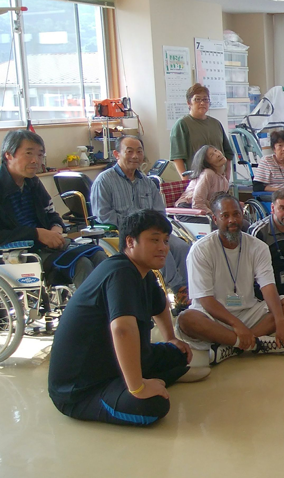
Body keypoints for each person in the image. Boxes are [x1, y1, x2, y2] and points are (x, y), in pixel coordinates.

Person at [48, 210, 198, 426]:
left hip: (111, 362)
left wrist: (171, 338)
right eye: (154, 240)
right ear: (130, 242)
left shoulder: (143, 271)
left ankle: (148, 378)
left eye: (165, 241)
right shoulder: (120, 272)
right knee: (154, 406)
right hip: (81, 388)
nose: (163, 247)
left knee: (179, 354)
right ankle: (138, 382)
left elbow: (160, 304)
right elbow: (122, 329)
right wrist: (138, 387)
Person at [176, 194, 284, 365]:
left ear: (242, 215)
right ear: (215, 219)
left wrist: (280, 322)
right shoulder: (200, 250)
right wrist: (237, 325)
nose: (232, 220)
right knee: (186, 319)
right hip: (212, 317)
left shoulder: (258, 247)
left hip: (248, 311)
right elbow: (206, 300)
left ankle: (233, 347)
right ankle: (255, 343)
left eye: (236, 214)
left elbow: (268, 286)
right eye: (225, 215)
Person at [90, 136, 191, 308]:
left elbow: (159, 212)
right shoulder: (104, 180)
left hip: (152, 231)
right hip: (123, 234)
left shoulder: (147, 182)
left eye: (139, 151)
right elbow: (103, 215)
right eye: (129, 151)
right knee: (159, 248)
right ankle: (178, 289)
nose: (135, 156)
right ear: (117, 154)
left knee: (182, 247)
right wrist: (134, 228)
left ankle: (187, 290)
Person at [0, 130, 106, 288]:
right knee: (81, 263)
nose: (35, 160)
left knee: (98, 255)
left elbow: (51, 214)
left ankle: (113, 302)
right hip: (19, 253)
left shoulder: (33, 183)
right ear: (8, 155)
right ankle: (89, 304)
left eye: (40, 155)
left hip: (46, 245)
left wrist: (56, 228)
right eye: (29, 153)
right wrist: (37, 234)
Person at [169, 83, 233, 175]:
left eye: (205, 99)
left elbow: (228, 153)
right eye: (197, 99)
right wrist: (185, 180)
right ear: (189, 103)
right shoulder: (182, 124)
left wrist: (227, 173)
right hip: (197, 178)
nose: (202, 103)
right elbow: (178, 158)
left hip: (219, 178)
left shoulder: (215, 123)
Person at [176, 144, 229, 215]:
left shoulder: (224, 180)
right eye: (211, 155)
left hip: (203, 209)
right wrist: (214, 216)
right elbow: (197, 203)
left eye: (216, 150)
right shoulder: (208, 173)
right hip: (187, 208)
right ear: (207, 163)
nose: (218, 155)